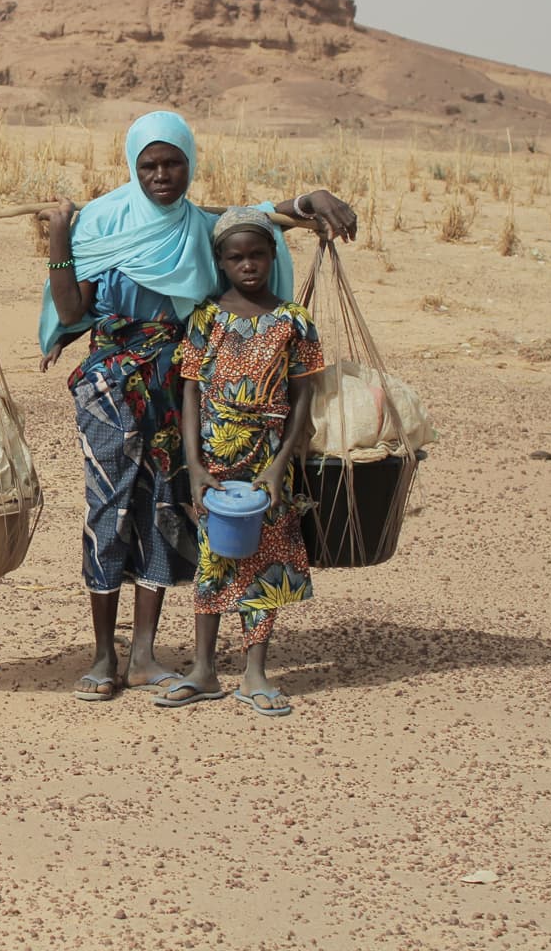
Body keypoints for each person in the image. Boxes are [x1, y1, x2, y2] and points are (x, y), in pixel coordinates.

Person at [37, 111, 354, 704]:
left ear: (190, 162)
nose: (161, 175)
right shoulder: (103, 222)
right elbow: (73, 309)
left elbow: (261, 218)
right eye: (149, 165)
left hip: (179, 381)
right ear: (133, 165)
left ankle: (143, 654)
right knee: (107, 508)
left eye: (172, 162)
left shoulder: (196, 226)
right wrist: (59, 239)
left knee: (166, 507)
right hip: (111, 384)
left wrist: (310, 198)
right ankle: (104, 654)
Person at [172, 207, 325, 716]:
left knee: (265, 559)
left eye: (258, 254)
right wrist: (194, 464)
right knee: (214, 558)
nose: (249, 265)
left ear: (272, 255)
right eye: (236, 257)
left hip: (267, 460)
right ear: (220, 261)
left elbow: (304, 395)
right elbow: (191, 393)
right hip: (214, 460)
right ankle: (203, 668)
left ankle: (255, 671)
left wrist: (281, 464)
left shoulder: (293, 321)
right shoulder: (206, 318)